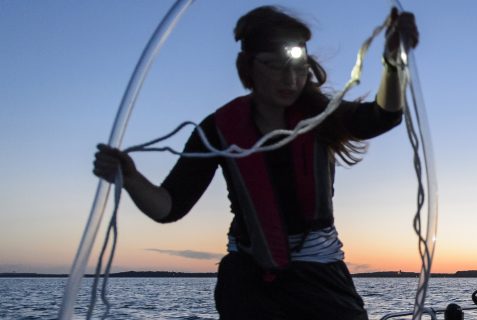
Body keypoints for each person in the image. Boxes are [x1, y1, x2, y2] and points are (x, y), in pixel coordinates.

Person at [92, 6, 418, 319]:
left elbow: (384, 116)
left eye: (297, 65)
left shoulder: (322, 115)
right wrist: (130, 177)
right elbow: (169, 207)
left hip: (322, 280)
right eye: (274, 66)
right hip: (248, 284)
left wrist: (393, 61)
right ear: (247, 66)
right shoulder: (217, 129)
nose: (289, 79)